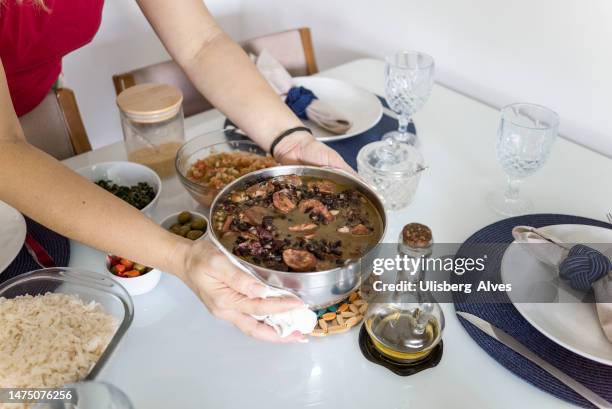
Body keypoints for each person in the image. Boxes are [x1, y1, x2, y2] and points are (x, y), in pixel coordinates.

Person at [0, 0, 352, 342]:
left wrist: (290, 140)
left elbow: (202, 43)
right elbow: (6, 151)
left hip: (36, 103)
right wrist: (181, 257)